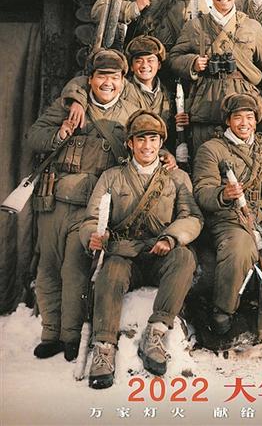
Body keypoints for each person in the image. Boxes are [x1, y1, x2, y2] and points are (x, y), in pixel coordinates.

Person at [27, 49, 139, 362]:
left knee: (75, 270)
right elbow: (34, 136)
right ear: (89, 79)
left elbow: (145, 144)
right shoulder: (69, 105)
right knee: (48, 268)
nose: (108, 83)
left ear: (123, 81)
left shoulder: (131, 112)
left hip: (93, 206)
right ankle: (49, 333)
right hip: (54, 199)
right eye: (101, 76)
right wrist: (59, 134)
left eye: (114, 77)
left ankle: (70, 336)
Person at [80, 110, 202, 389]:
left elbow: (192, 217)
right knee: (111, 271)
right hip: (124, 254)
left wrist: (171, 238)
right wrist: (93, 236)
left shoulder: (177, 178)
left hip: (160, 253)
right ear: (130, 143)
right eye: (141, 139)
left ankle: (156, 333)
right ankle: (104, 348)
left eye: (153, 139)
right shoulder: (112, 177)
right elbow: (91, 219)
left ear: (161, 143)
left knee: (184, 258)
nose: (147, 146)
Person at [192, 93, 262, 335]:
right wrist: (223, 193)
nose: (244, 123)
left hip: (259, 213)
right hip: (228, 217)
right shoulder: (211, 149)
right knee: (240, 248)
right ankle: (224, 309)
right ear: (228, 121)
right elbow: (202, 191)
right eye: (238, 117)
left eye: (249, 117)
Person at [169, 0, 262, 153]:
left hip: (243, 107)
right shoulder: (195, 26)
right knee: (205, 157)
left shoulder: (251, 26)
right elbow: (173, 58)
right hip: (205, 108)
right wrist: (192, 63)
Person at [61, 35, 189, 152]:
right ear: (132, 67)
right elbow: (83, 82)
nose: (145, 65)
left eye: (150, 60)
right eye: (138, 61)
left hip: (155, 151)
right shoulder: (123, 86)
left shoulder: (168, 94)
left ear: (159, 64)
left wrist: (179, 121)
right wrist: (77, 100)